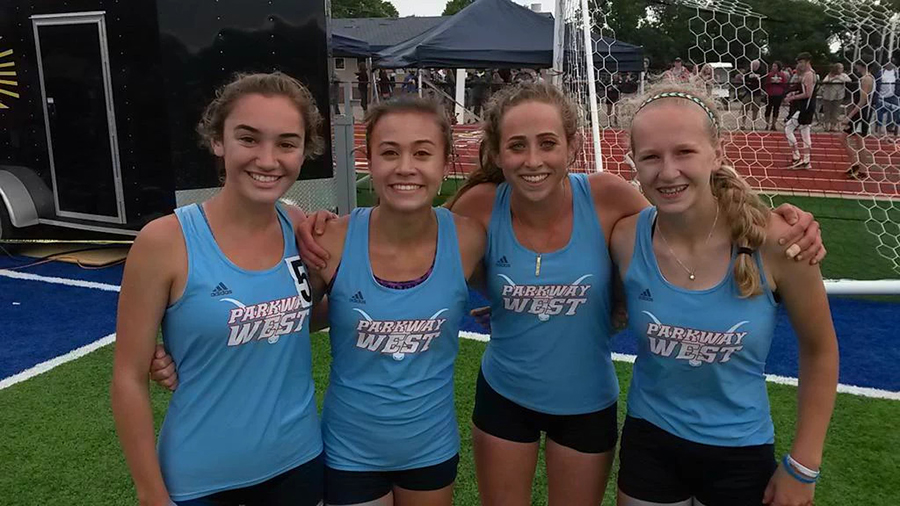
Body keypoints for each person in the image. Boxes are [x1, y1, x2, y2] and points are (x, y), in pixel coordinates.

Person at [272, 83, 825, 506]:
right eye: (517, 146)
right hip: (504, 399)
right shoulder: (478, 212)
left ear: (574, 146)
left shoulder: (611, 200)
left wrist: (783, 219)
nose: (533, 159)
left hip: (588, 404)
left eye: (547, 143)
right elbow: (412, 242)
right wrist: (327, 233)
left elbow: (683, 216)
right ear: (497, 151)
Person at [150, 96, 487, 506]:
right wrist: (181, 344)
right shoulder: (329, 239)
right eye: (389, 152)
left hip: (431, 445)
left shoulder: (469, 239)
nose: (405, 167)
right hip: (350, 451)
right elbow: (288, 313)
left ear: (445, 159)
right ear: (368, 159)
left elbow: (518, 279)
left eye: (422, 153)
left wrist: (505, 312)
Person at [611, 85, 839, 506]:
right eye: (650, 157)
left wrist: (803, 465)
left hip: (740, 452)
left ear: (717, 153)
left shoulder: (779, 242)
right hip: (650, 445)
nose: (667, 171)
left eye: (684, 152)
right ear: (634, 164)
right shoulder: (625, 239)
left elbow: (821, 350)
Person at [112, 72, 327, 506]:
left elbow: (297, 320)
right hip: (201, 479)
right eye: (248, 138)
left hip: (300, 461)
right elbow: (127, 378)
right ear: (218, 141)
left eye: (286, 143)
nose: (268, 160)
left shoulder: (298, 224)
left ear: (304, 152)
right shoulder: (164, 241)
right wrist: (151, 494)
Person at [784, 53, 818, 170]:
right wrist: (793, 93)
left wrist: (792, 97)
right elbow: (804, 91)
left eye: (800, 62)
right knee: (803, 133)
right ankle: (802, 158)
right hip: (804, 107)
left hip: (806, 107)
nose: (799, 65)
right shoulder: (808, 74)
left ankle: (800, 157)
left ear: (807, 61)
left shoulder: (809, 74)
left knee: (791, 129)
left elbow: (808, 94)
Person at [844, 61, 875, 180]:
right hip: (858, 113)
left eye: (857, 65)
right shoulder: (864, 78)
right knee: (842, 138)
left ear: (862, 65)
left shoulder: (867, 79)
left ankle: (863, 170)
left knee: (860, 143)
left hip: (861, 114)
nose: (855, 67)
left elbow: (863, 101)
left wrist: (849, 116)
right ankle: (855, 164)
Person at [821, 63, 850, 132]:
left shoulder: (844, 75)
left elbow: (849, 80)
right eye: (840, 68)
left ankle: (833, 126)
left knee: (836, 111)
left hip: (838, 96)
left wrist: (840, 78)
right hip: (828, 96)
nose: (842, 70)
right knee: (827, 111)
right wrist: (833, 79)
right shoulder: (830, 75)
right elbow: (824, 81)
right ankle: (826, 126)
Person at [738, 60, 764, 130]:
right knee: (745, 106)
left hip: (757, 93)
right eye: (753, 65)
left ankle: (753, 124)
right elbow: (744, 80)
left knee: (755, 108)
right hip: (748, 92)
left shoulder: (762, 72)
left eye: (755, 65)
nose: (754, 67)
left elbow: (763, 81)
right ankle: (743, 124)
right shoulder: (748, 72)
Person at [764, 61, 789, 131]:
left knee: (776, 109)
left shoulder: (782, 75)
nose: (773, 67)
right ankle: (767, 124)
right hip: (770, 94)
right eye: (773, 66)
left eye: (775, 66)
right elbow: (765, 84)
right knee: (768, 109)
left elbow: (785, 84)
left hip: (778, 94)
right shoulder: (769, 75)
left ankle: (773, 124)